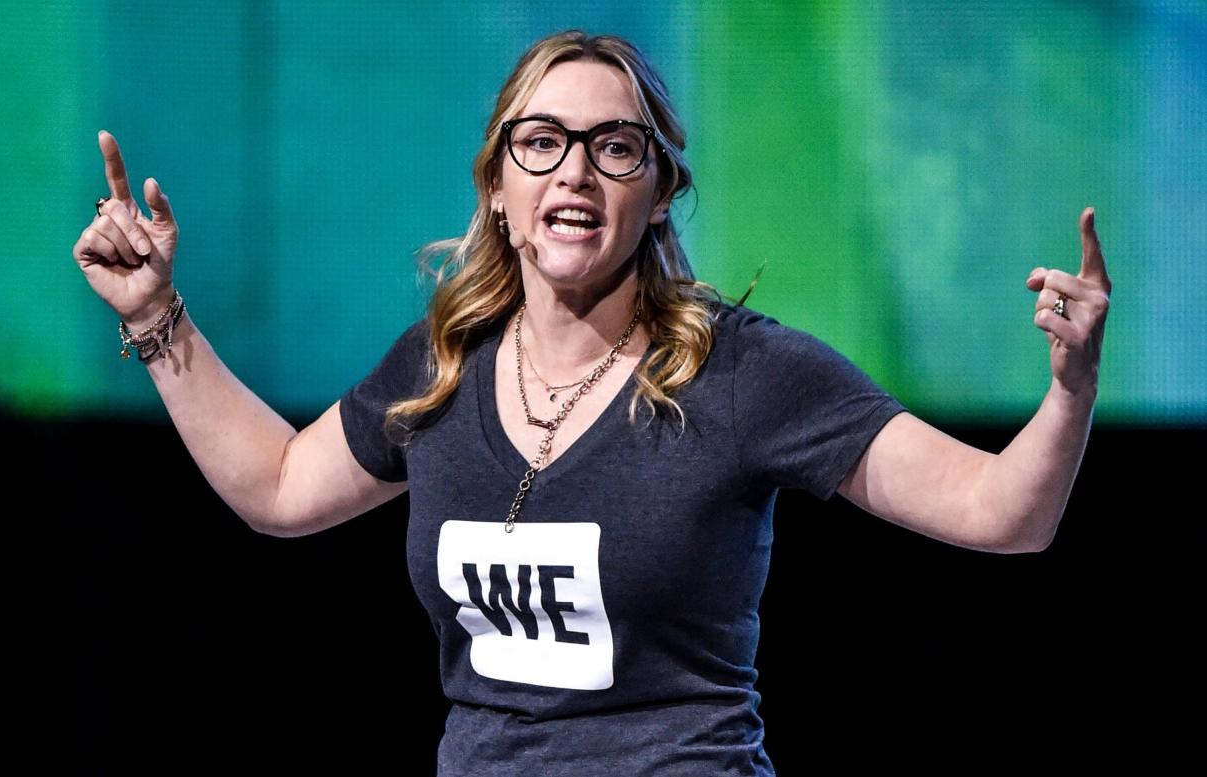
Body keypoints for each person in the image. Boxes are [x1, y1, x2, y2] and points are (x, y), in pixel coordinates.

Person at [72, 29, 1110, 776]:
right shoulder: (443, 364)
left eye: (616, 147)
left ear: (657, 191)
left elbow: (1001, 514)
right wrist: (161, 318)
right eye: (542, 142)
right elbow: (280, 487)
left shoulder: (745, 373)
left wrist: (1070, 388)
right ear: (497, 186)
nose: (575, 171)